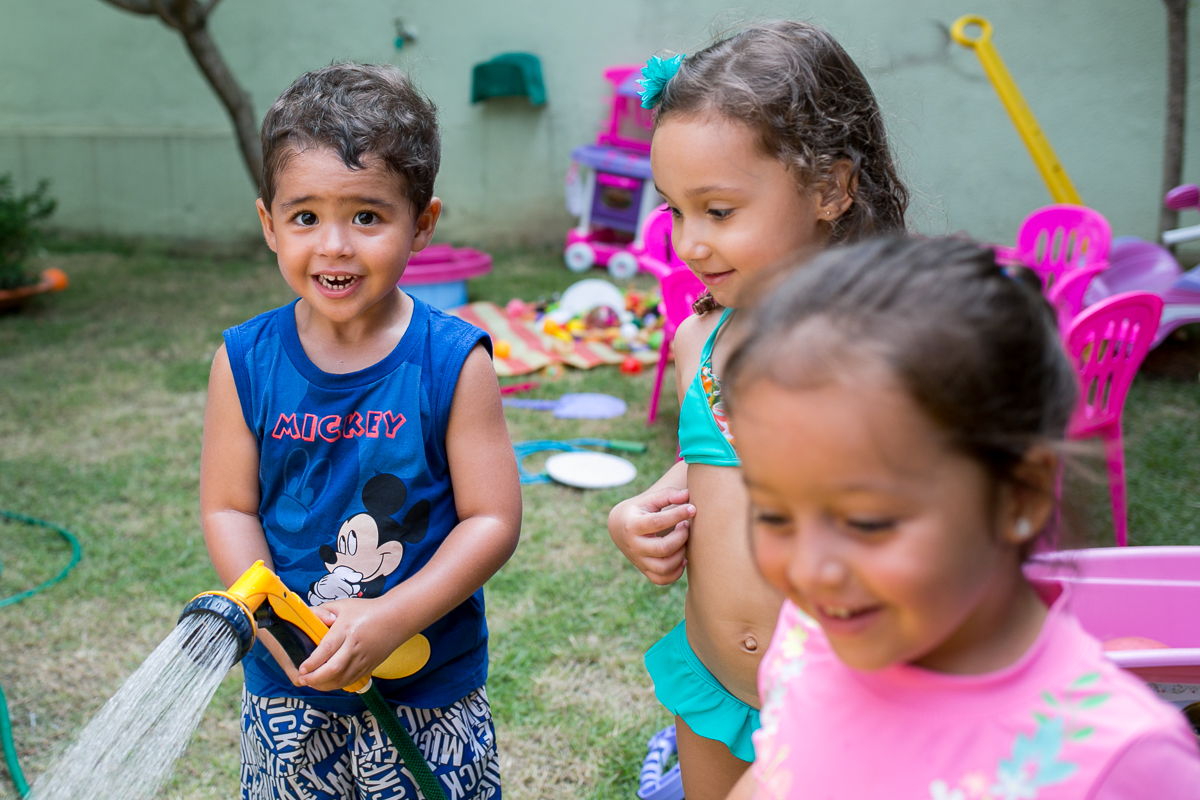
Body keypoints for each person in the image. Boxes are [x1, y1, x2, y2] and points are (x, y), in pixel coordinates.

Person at [721, 236, 1200, 799]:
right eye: (775, 515)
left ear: (1019, 496)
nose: (809, 569)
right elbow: (782, 764)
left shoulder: (1120, 761)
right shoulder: (820, 630)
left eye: (868, 523)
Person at [199, 63, 521, 800]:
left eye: (367, 216)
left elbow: (493, 518)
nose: (335, 245)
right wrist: (271, 621)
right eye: (305, 216)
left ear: (424, 224)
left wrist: (390, 617)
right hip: (292, 688)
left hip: (427, 688)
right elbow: (228, 506)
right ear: (269, 224)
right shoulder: (244, 361)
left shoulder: (450, 361)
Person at [607, 20, 908, 799]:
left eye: (718, 210)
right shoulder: (699, 341)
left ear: (830, 190)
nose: (690, 243)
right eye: (674, 211)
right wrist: (645, 507)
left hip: (845, 706)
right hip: (717, 686)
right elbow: (712, 461)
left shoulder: (887, 351)